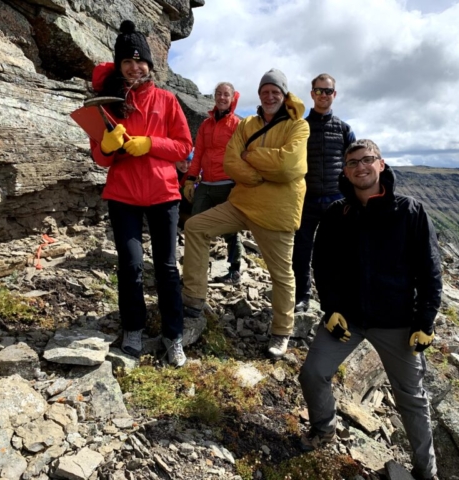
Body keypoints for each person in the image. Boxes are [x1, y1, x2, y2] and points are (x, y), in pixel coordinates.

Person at [298, 139, 442, 480]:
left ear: (380, 164)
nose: (360, 167)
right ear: (345, 172)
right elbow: (323, 264)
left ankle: (427, 472)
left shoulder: (410, 211)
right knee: (312, 373)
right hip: (347, 319)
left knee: (411, 399)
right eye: (352, 163)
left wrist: (425, 320)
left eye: (367, 160)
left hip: (397, 323)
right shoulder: (337, 214)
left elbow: (430, 270)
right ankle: (323, 430)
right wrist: (330, 308)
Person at [181, 68, 309, 359]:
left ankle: (281, 331)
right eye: (265, 91)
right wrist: (260, 174)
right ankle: (193, 299)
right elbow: (230, 161)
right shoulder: (248, 123)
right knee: (196, 227)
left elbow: (289, 166)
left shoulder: (298, 126)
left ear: (284, 94)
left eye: (275, 91)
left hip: (277, 212)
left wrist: (249, 157)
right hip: (241, 202)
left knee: (281, 275)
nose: (269, 95)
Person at [89, 20, 193, 367]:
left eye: (141, 61)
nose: (136, 67)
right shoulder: (109, 102)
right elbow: (101, 158)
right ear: (120, 65)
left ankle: (173, 335)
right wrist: (106, 145)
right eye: (128, 61)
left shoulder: (166, 100)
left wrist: (150, 144)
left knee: (166, 267)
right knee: (130, 265)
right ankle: (133, 329)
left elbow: (183, 147)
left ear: (150, 64)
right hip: (123, 195)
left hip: (164, 193)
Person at [292, 73, 356, 312]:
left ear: (334, 95)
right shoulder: (301, 127)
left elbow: (354, 165)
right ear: (312, 94)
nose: (323, 95)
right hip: (305, 200)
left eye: (328, 91)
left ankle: (336, 298)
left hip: (336, 201)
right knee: (301, 251)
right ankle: (303, 296)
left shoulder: (344, 128)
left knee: (335, 253)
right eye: (319, 91)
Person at [182, 82, 244, 283]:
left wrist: (240, 182)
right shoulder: (206, 125)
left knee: (229, 229)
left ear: (233, 98)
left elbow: (242, 154)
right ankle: (195, 274)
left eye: (226, 94)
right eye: (218, 94)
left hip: (227, 183)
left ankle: (234, 270)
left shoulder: (237, 124)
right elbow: (198, 152)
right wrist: (191, 179)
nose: (222, 97)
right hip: (206, 184)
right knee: (194, 226)